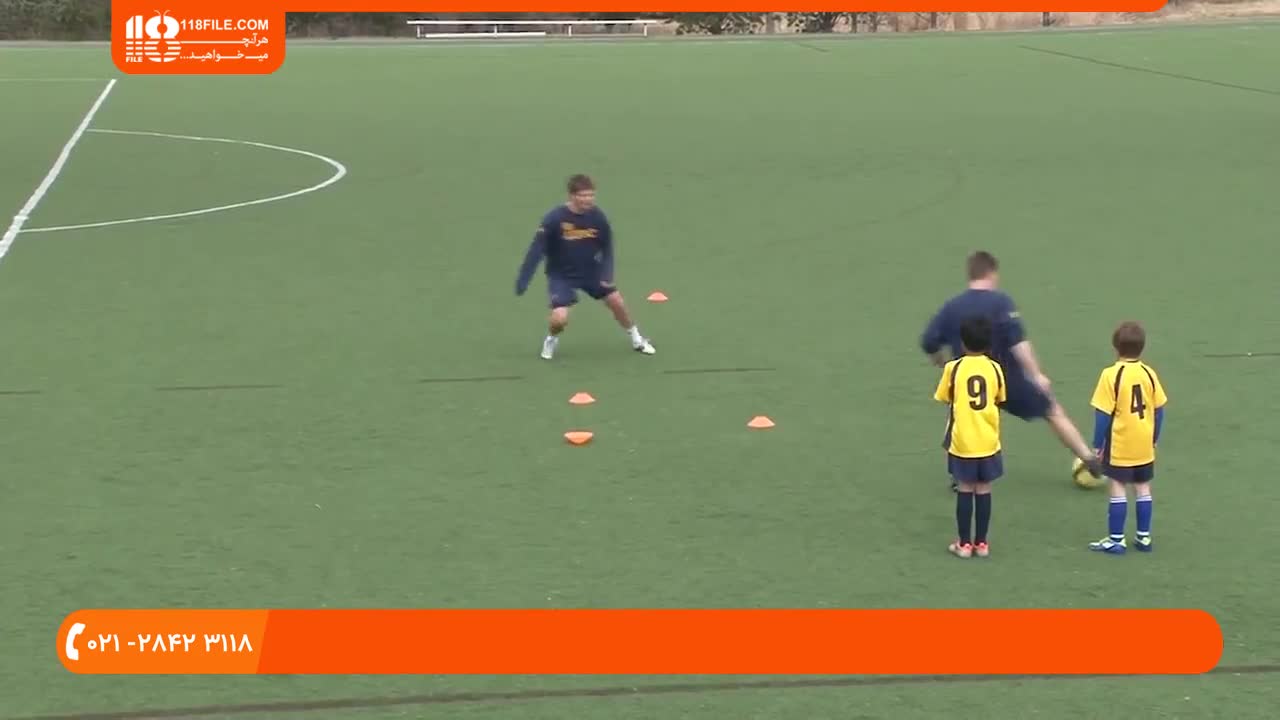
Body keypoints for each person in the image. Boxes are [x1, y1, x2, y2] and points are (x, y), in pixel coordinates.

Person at [920, 251, 1101, 490]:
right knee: (1052, 411)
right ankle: (1090, 461)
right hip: (1008, 380)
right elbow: (1018, 343)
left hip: (968, 379)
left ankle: (958, 475)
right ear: (991, 273)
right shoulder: (1001, 302)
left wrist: (941, 362)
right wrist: (1036, 374)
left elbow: (929, 341)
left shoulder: (951, 307)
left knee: (959, 420)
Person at [514, 174, 655, 360]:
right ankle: (552, 338)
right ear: (571, 196)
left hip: (591, 272)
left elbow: (607, 247)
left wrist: (607, 273)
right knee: (559, 319)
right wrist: (524, 280)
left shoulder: (598, 217)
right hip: (562, 275)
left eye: (591, 195)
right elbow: (536, 250)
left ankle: (636, 338)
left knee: (617, 302)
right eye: (583, 195)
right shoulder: (554, 218)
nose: (588, 199)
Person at [1088, 322, 1167, 555]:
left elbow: (1103, 414)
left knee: (1117, 486)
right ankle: (1144, 537)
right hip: (1144, 444)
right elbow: (1159, 410)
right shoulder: (1149, 373)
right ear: (1142, 347)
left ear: (1115, 348)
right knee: (1143, 487)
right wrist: (1154, 437)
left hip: (1120, 443)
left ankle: (1116, 540)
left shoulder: (1111, 375)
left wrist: (1097, 445)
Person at [934, 316, 1006, 558]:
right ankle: (982, 543)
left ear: (962, 342)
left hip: (962, 441)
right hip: (988, 441)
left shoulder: (953, 368)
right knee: (984, 488)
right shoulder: (995, 368)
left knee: (965, 487)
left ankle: (964, 544)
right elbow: (999, 397)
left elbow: (944, 397)